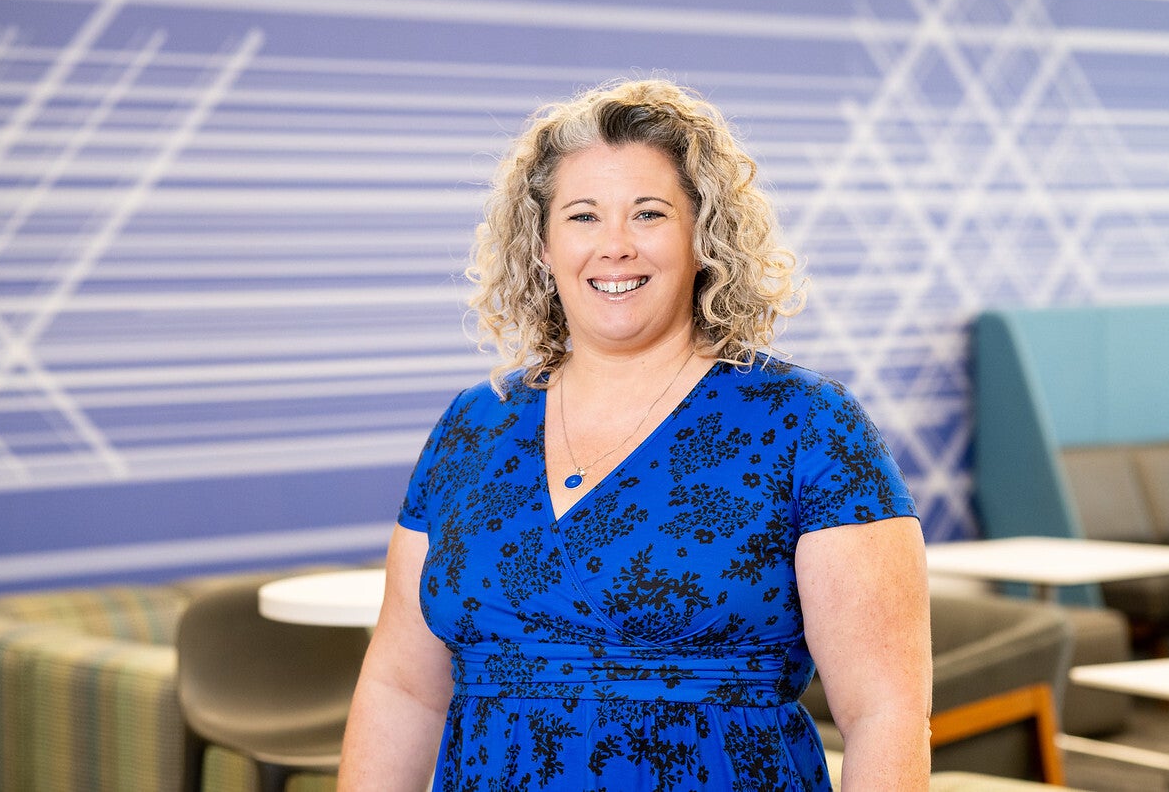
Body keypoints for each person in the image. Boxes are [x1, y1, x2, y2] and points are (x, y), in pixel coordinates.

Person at [338, 77, 932, 791]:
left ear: (701, 237)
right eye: (583, 216)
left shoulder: (808, 424)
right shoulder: (473, 425)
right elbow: (402, 688)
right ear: (542, 245)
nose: (613, 246)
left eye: (648, 214)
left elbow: (884, 712)